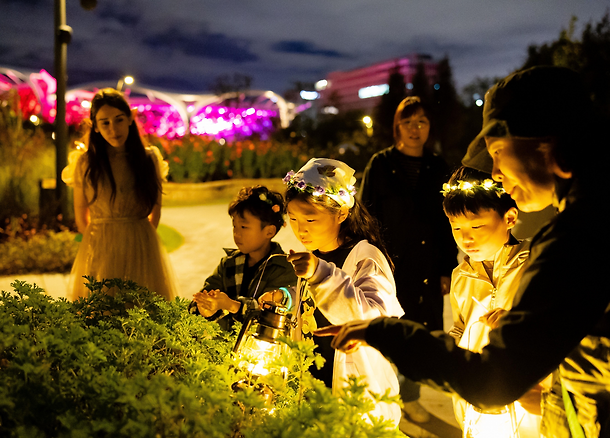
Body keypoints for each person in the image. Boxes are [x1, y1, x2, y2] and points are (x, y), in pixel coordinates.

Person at [318, 66, 610, 437]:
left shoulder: (578, 239)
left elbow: (494, 379)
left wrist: (387, 334)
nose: (496, 173)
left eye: (498, 152)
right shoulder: (593, 216)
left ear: (548, 145)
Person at [283, 158, 405, 426]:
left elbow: (373, 319)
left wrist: (319, 274)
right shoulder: (315, 254)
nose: (300, 229)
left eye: (310, 218)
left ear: (341, 213)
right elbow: (313, 304)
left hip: (356, 391)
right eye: (292, 218)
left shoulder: (366, 256)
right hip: (315, 383)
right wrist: (286, 296)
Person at [359, 95, 457, 423]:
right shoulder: (381, 165)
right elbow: (366, 216)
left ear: (430, 127)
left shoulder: (438, 167)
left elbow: (448, 223)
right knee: (388, 329)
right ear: (396, 126)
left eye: (422, 122)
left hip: (428, 267)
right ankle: (386, 396)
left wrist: (447, 269)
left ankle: (410, 396)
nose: (415, 129)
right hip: (389, 265)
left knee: (419, 333)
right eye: (408, 122)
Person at [443, 166, 541, 437]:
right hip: (477, 390)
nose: (466, 237)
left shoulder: (533, 263)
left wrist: (515, 322)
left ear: (509, 218)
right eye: (456, 227)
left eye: (477, 225)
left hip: (524, 388)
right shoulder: (461, 276)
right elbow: (461, 326)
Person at [62, 88, 177, 300]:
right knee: (102, 309)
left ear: (130, 118)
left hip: (141, 242)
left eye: (119, 119)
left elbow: (156, 210)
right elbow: (80, 216)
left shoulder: (149, 158)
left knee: (142, 309)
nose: (113, 129)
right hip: (101, 243)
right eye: (104, 122)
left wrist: (139, 238)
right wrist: (99, 242)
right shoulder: (85, 163)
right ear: (95, 126)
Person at [191, 185, 297, 331]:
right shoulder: (228, 263)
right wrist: (205, 307)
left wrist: (231, 305)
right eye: (234, 226)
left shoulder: (283, 268)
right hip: (224, 348)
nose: (237, 234)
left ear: (269, 231)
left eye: (244, 227)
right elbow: (206, 294)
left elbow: (268, 314)